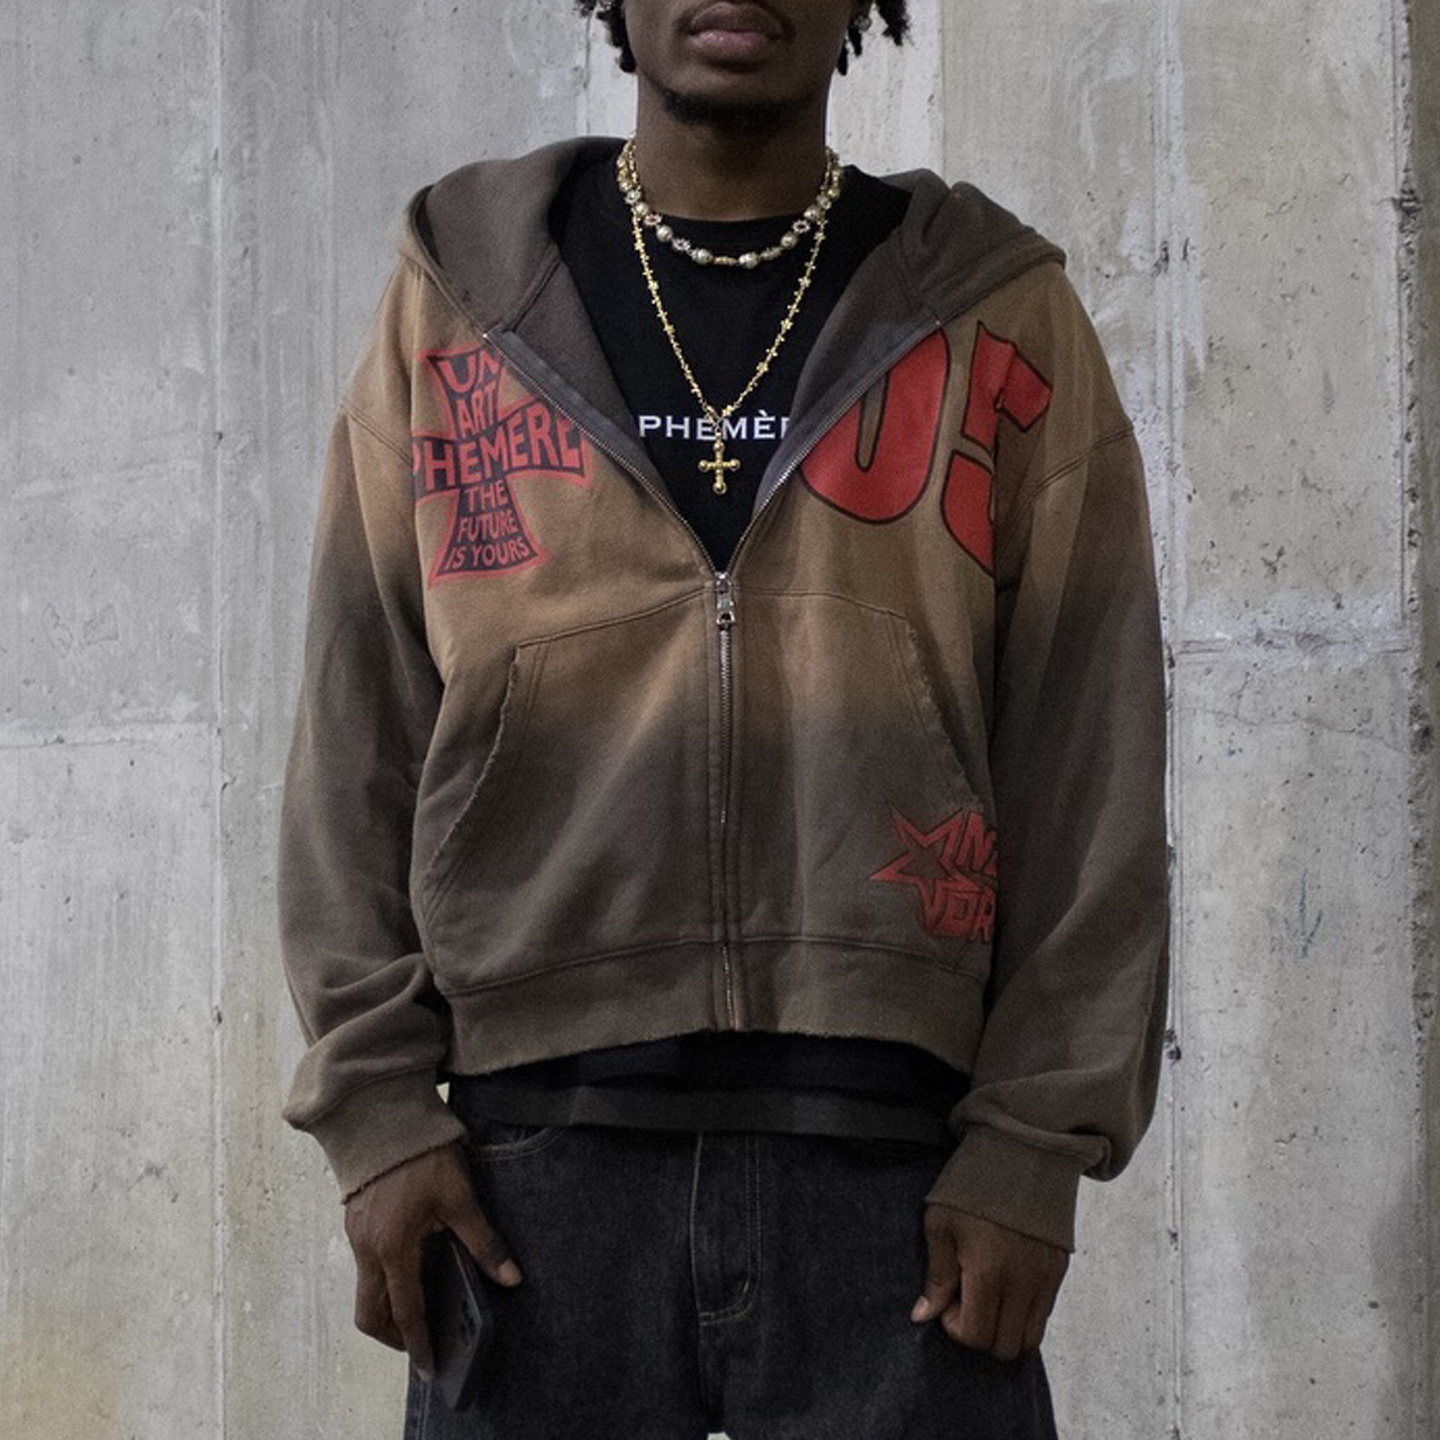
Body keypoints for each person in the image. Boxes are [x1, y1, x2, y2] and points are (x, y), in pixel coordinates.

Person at [279, 2, 1169, 1436]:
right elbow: (355, 729)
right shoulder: (457, 304)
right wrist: (375, 1114)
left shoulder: (995, 310)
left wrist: (1034, 1143)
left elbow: (1091, 754)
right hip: (528, 1178)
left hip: (898, 1184)